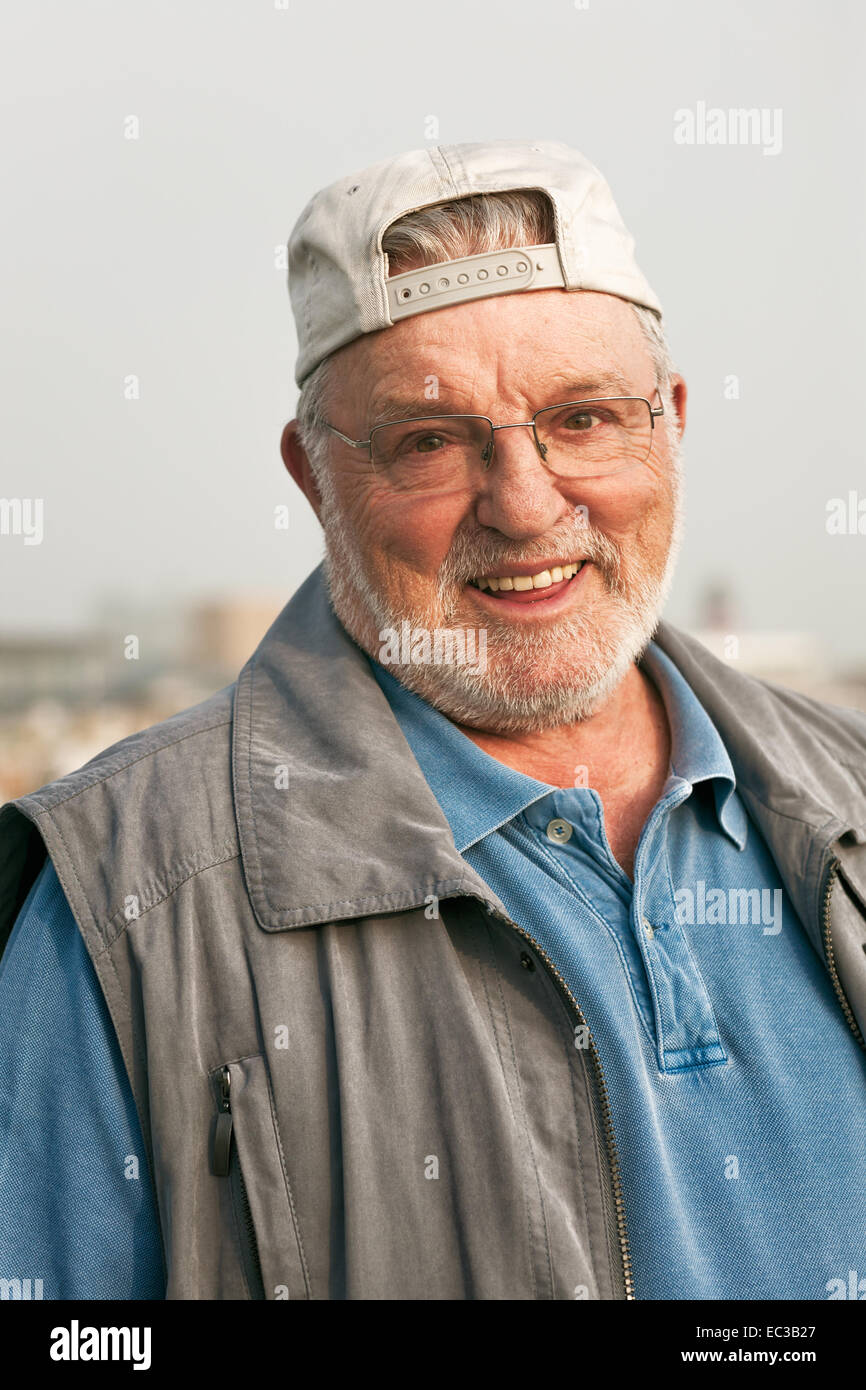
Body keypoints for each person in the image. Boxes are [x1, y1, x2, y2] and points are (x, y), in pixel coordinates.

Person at [1, 139, 865, 1301]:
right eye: (428, 442)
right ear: (312, 477)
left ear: (667, 421)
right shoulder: (122, 903)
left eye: (583, 419)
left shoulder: (843, 801)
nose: (522, 503)